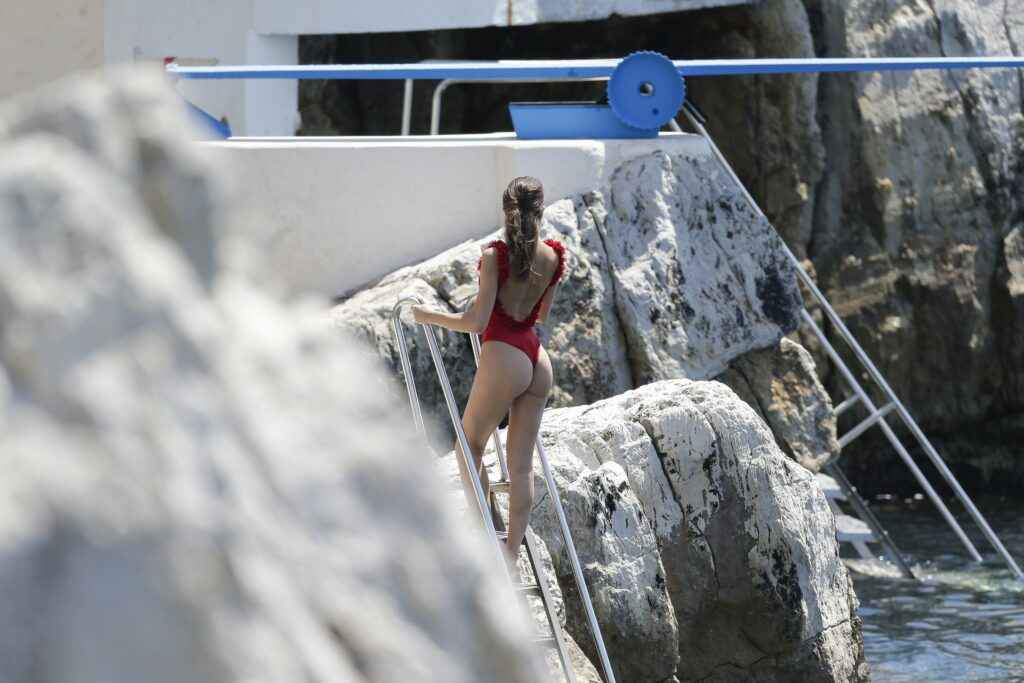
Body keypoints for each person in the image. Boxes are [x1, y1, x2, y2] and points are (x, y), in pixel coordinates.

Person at [412, 176, 565, 571]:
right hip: (536, 359)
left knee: (469, 445)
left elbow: (477, 322)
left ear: (506, 211)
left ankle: (487, 535)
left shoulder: (496, 256)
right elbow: (541, 315)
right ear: (540, 210)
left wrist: (427, 315)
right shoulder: (553, 256)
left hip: (505, 353)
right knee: (521, 466)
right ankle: (511, 551)